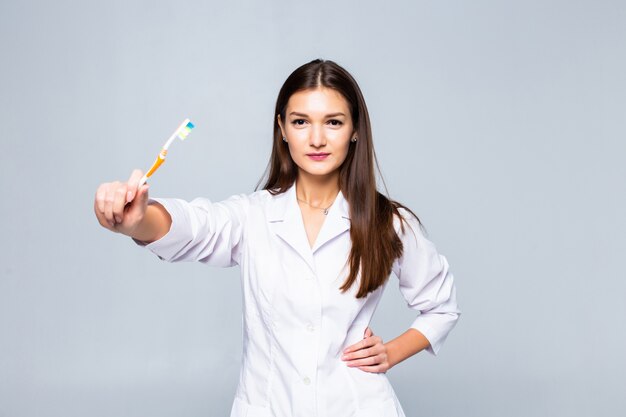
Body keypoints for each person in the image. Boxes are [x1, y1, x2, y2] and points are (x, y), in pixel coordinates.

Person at [94, 59, 461, 417]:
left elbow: (441, 307)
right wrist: (137, 220)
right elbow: (193, 226)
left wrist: (393, 352)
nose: (317, 138)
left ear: (355, 130)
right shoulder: (252, 215)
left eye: (333, 122)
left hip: (357, 405)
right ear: (282, 128)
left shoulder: (389, 222)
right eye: (301, 122)